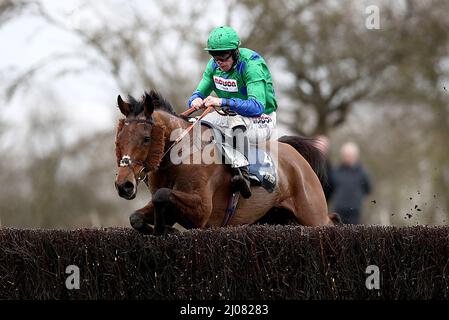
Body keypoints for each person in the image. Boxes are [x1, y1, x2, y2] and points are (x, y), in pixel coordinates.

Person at [187, 26, 278, 199]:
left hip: (262, 119)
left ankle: (244, 174)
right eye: (214, 57)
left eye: (223, 57)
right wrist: (195, 100)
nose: (219, 62)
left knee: (235, 122)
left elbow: (257, 106)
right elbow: (197, 94)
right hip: (231, 117)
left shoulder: (251, 65)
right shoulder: (214, 66)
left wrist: (221, 101)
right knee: (197, 123)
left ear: (235, 53)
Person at [332, 142, 372, 224]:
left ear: (355, 156)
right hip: (339, 209)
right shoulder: (336, 170)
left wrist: (357, 197)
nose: (347, 157)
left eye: (349, 155)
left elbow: (368, 188)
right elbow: (331, 188)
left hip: (355, 210)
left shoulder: (362, 171)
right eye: (345, 155)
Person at [314, 135, 335, 203]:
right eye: (319, 145)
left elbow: (330, 185)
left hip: (322, 199)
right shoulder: (306, 161)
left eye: (323, 146)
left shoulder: (329, 166)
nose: (321, 148)